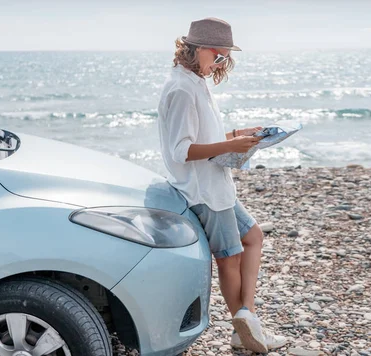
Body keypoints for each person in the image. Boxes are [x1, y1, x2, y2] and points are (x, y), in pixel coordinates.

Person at [156, 17, 288, 353]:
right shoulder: (183, 89)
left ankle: (247, 320)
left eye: (226, 57)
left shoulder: (196, 82)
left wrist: (237, 135)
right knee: (229, 257)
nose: (222, 62)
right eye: (219, 55)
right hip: (204, 191)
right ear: (198, 50)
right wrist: (230, 147)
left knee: (253, 237)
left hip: (216, 185)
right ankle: (246, 329)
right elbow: (181, 150)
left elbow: (205, 137)